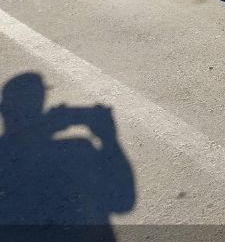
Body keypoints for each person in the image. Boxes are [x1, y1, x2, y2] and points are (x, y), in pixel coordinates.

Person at [0, 72, 135, 238]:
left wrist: (42, 130)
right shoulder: (77, 152)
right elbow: (123, 201)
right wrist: (109, 140)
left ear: (4, 111)